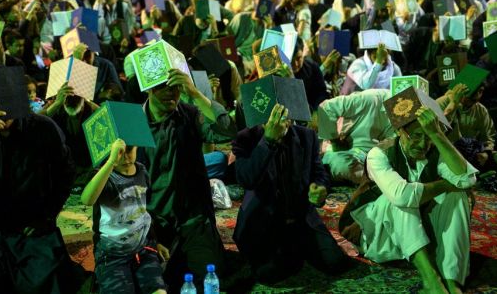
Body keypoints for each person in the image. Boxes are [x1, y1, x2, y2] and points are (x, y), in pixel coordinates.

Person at [340, 107, 477, 294]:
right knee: (401, 199)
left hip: (415, 233)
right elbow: (402, 195)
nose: (422, 144)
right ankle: (432, 281)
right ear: (399, 131)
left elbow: (467, 179)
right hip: (377, 233)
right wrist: (446, 185)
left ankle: (452, 281)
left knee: (457, 196)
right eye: (416, 136)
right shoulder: (378, 154)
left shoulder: (433, 150)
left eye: (427, 138)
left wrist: (437, 135)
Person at [0, 101, 81, 293]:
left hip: (30, 224)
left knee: (45, 282)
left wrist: (47, 215)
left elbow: (66, 173)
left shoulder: (42, 127)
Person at [139, 68, 237, 291]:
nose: (171, 93)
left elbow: (225, 131)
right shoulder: (133, 122)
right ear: (148, 89)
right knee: (147, 283)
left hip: (192, 218)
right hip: (151, 221)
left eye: (175, 87)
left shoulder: (190, 114)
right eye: (163, 87)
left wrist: (195, 94)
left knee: (207, 280)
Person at [233, 104, 350, 284]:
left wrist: (320, 188)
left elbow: (319, 174)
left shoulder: (306, 135)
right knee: (269, 273)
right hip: (263, 219)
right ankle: (290, 251)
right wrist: (268, 141)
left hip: (301, 216)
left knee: (335, 263)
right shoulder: (247, 138)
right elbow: (246, 179)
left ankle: (295, 247)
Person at [81, 139, 168, 294]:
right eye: (119, 153)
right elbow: (87, 199)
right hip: (112, 255)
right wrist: (111, 162)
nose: (125, 158)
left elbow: (145, 212)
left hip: (143, 249)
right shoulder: (102, 176)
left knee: (159, 291)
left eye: (129, 150)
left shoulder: (142, 171)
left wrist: (156, 242)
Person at [317, 89, 396, 185]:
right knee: (340, 165)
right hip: (346, 151)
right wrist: (335, 141)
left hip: (373, 160)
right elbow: (326, 108)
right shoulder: (369, 99)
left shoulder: (409, 118)